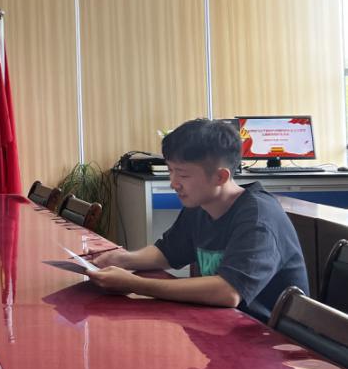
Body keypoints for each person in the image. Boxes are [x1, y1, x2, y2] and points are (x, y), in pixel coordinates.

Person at [89, 118, 309, 320]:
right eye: (170, 171)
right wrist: (122, 259)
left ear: (220, 176)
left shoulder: (258, 217)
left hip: (269, 338)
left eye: (183, 175)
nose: (174, 183)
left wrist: (135, 284)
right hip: (222, 322)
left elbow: (228, 292)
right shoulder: (200, 205)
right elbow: (167, 252)